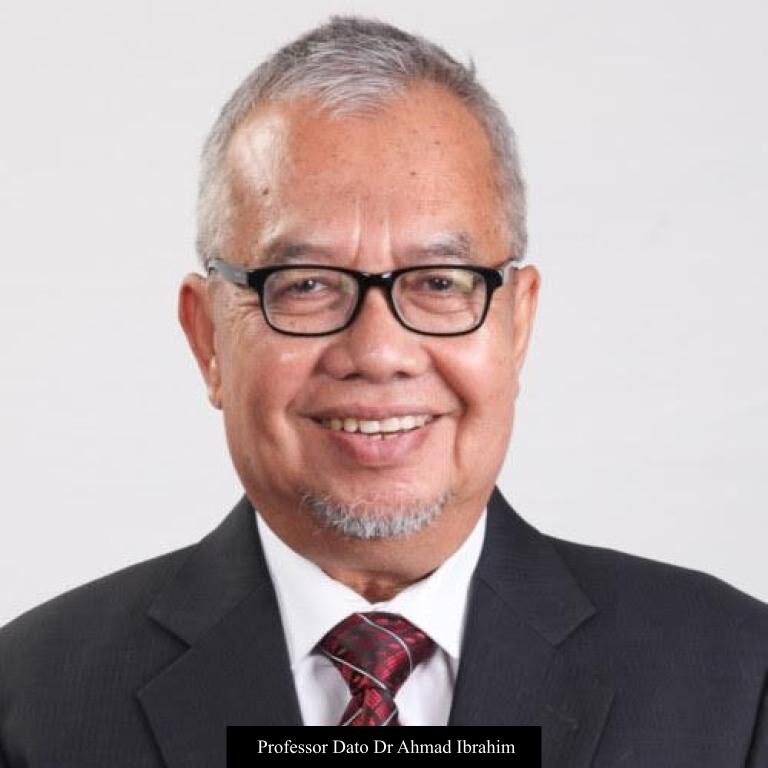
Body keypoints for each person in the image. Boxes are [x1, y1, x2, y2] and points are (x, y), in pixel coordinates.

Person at [0, 15, 766, 768]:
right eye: (304, 285)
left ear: (518, 324)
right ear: (208, 340)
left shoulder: (736, 685)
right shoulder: (31, 704)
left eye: (440, 282)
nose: (378, 353)